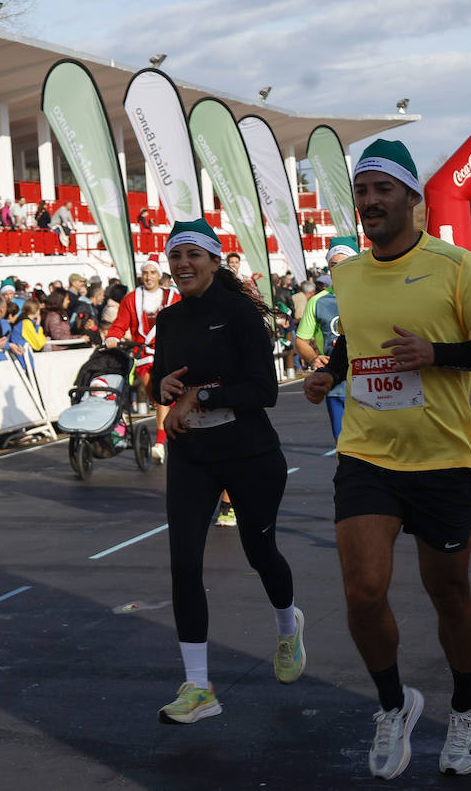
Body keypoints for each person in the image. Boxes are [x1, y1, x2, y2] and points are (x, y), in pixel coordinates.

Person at [301, 139, 471, 779]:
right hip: (367, 454)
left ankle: (466, 709)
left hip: (442, 457)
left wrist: (436, 353)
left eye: (382, 190)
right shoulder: (347, 275)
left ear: (412, 199)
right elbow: (353, 344)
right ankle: (394, 706)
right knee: (363, 592)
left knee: (447, 592)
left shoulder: (456, 267)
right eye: (362, 191)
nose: (369, 202)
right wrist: (327, 374)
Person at [151, 218, 304, 725]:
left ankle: (288, 625)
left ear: (216, 260)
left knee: (260, 552)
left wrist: (204, 394)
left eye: (193, 255)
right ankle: (198, 687)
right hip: (193, 455)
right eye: (175, 257)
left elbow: (264, 390)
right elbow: (157, 381)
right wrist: (165, 388)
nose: (183, 265)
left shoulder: (239, 313)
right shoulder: (169, 320)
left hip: (249, 453)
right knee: (183, 563)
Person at [105, 260, 182, 464]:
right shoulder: (131, 299)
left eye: (152, 272)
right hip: (145, 356)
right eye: (145, 272)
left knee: (163, 398)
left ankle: (159, 444)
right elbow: (120, 323)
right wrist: (112, 336)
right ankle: (169, 433)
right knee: (158, 399)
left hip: (171, 354)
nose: (148, 277)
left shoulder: (173, 297)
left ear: (159, 275)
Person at [295, 238, 359, 440]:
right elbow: (301, 341)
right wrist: (314, 358)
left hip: (371, 383)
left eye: (345, 263)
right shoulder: (317, 301)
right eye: (334, 265)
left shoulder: (372, 294)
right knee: (344, 447)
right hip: (337, 387)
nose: (339, 270)